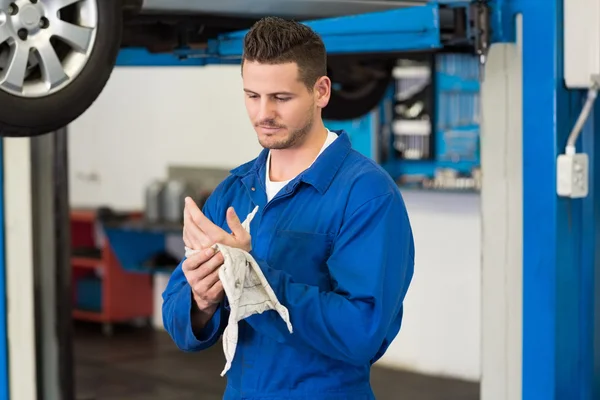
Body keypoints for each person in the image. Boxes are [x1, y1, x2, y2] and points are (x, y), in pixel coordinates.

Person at [161, 16, 415, 400]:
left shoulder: (367, 194)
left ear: (321, 91)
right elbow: (179, 321)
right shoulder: (235, 190)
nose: (263, 113)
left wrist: (254, 281)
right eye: (252, 96)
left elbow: (364, 333)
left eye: (281, 98)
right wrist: (202, 299)